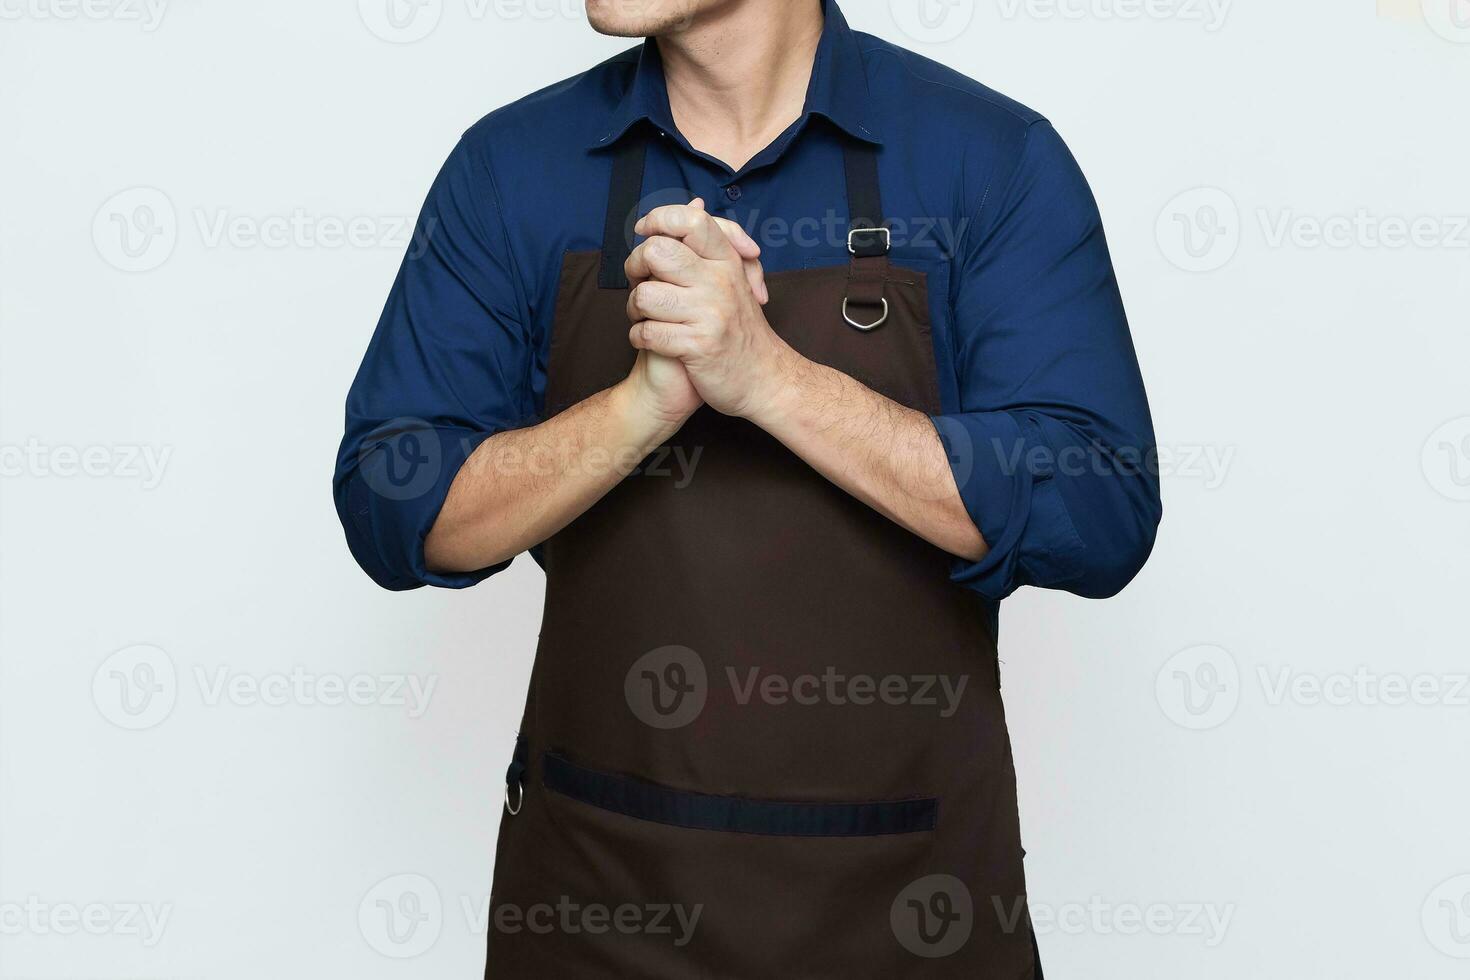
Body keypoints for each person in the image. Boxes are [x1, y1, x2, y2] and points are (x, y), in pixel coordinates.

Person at [333, 0, 1161, 974]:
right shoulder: (514, 167)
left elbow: (1099, 506)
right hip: (598, 904)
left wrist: (772, 380)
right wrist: (638, 408)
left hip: (908, 907)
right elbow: (395, 504)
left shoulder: (988, 160)